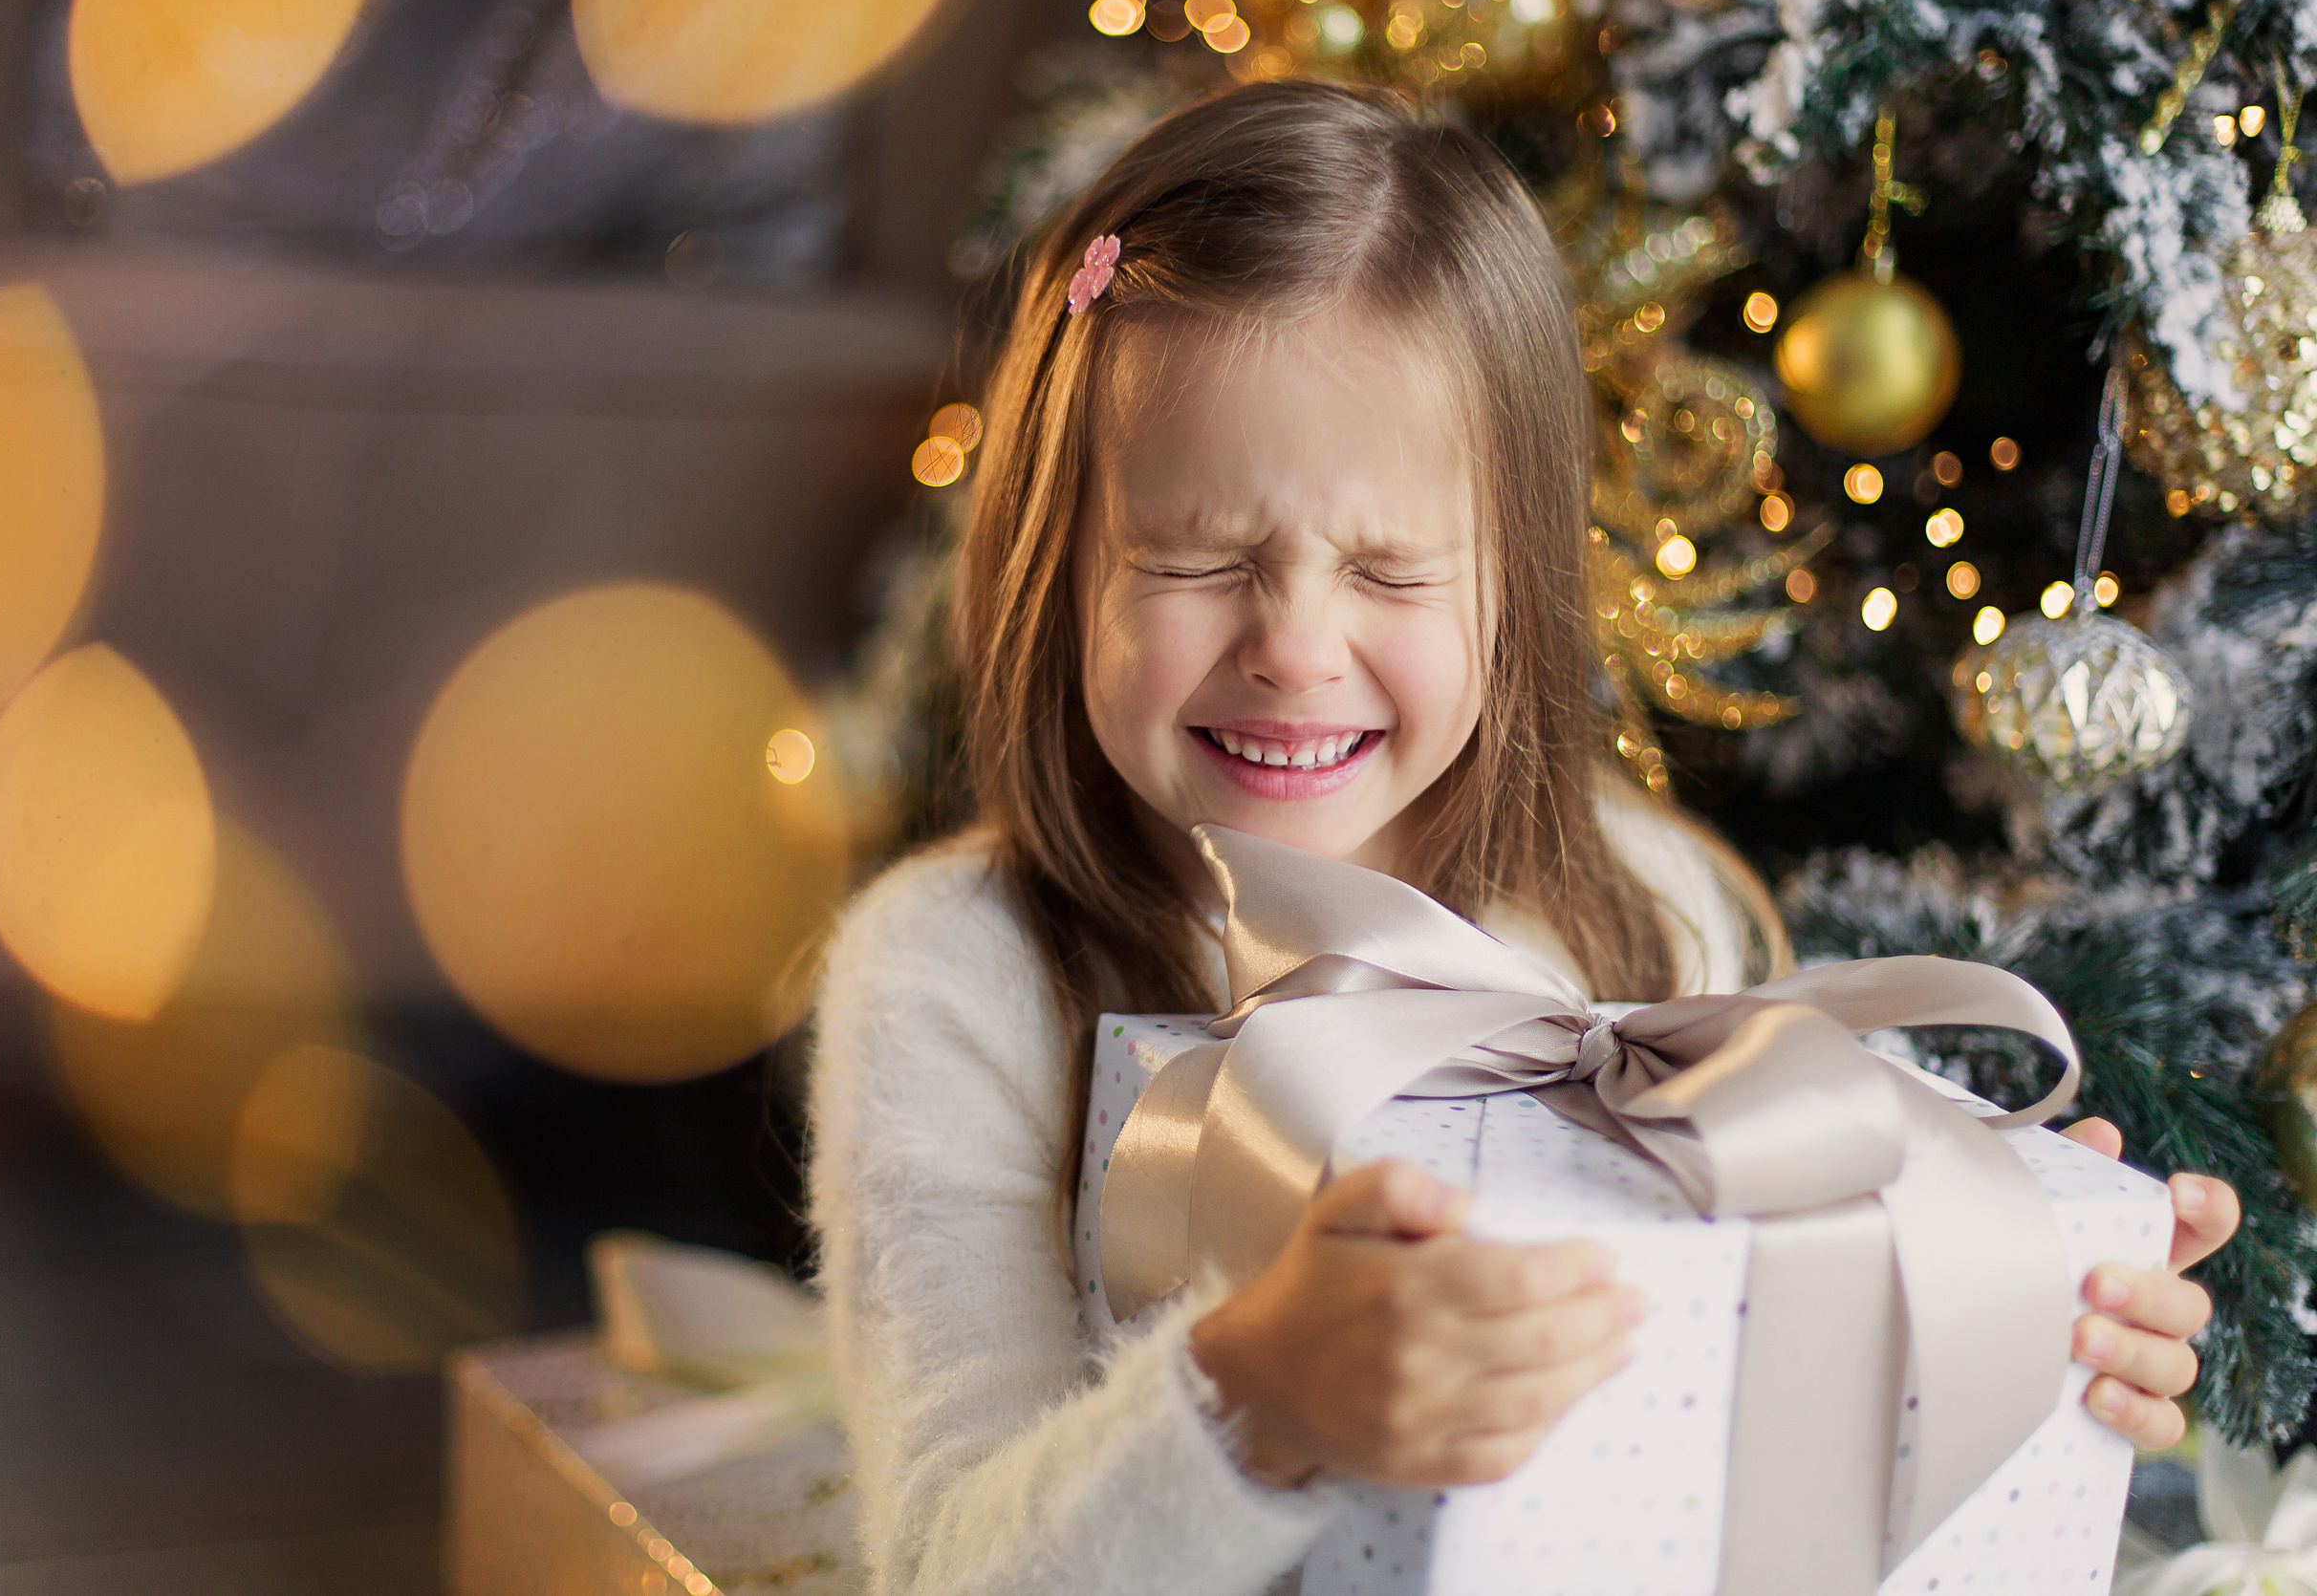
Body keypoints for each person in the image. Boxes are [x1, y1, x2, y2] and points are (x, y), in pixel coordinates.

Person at [804, 81, 2238, 1594]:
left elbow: (1742, 1402)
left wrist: (1997, 1297)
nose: (1295, 647)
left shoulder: (1648, 906)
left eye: (1394, 572)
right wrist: (1251, 1406)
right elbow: (947, 1564)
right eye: (1199, 556)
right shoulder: (953, 982)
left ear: (1517, 584)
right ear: (1058, 564)